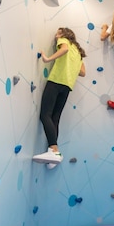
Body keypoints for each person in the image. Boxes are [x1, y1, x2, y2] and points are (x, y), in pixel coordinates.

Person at [32, 27, 86, 167]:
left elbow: (64, 49)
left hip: (56, 80)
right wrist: (71, 67)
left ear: (63, 34)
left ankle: (54, 150)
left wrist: (47, 58)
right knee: (55, 117)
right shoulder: (78, 51)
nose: (56, 36)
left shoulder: (64, 41)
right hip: (67, 86)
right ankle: (54, 154)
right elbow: (82, 72)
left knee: (45, 115)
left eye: (58, 33)